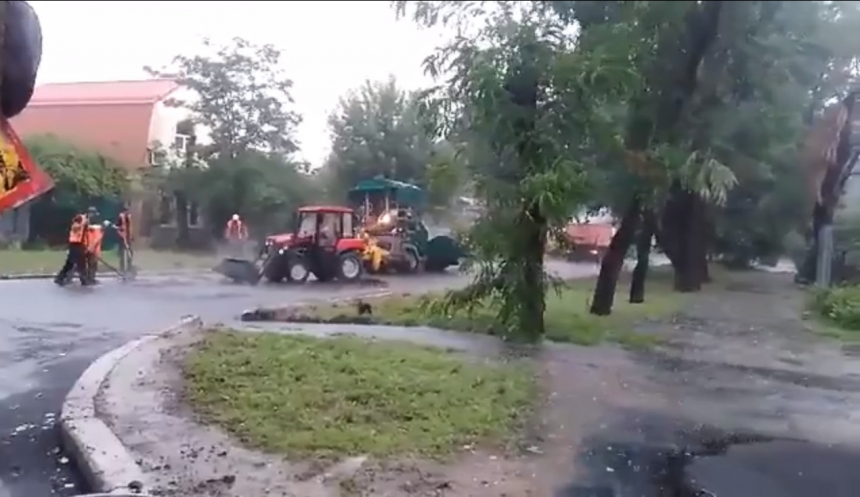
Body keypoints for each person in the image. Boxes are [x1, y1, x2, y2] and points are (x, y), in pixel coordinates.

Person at [54, 213, 89, 286]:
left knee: (82, 263)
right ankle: (60, 278)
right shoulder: (75, 225)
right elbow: (77, 228)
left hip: (80, 245)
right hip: (74, 245)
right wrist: (83, 222)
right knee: (70, 263)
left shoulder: (83, 226)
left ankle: (84, 279)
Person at [116, 206, 133, 274]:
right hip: (122, 237)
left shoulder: (129, 217)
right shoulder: (120, 217)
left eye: (128, 211)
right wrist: (120, 233)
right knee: (122, 253)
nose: (127, 212)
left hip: (128, 237)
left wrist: (131, 236)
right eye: (126, 211)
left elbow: (130, 227)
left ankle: (129, 267)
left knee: (130, 252)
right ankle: (122, 268)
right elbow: (117, 227)